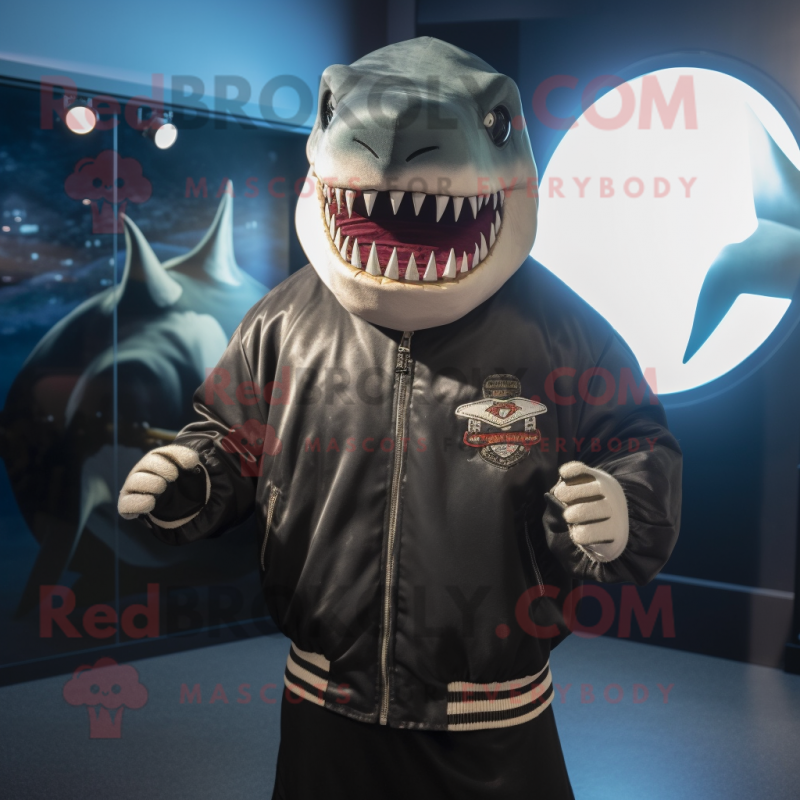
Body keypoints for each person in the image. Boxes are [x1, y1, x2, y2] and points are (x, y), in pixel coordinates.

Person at [118, 37, 682, 800]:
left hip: (492, 721)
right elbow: (229, 437)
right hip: (324, 703)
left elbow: (636, 444)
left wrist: (625, 506)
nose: (389, 148)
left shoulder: (564, 335)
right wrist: (196, 478)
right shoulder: (283, 322)